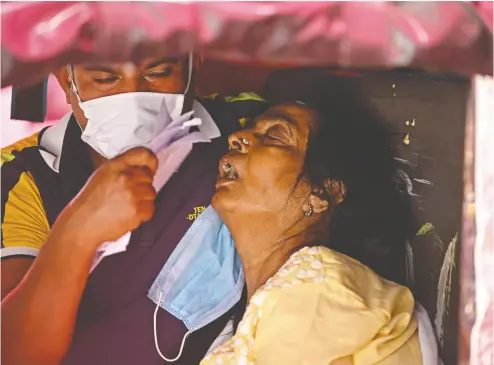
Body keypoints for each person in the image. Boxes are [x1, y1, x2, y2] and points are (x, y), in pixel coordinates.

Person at [1, 54, 267, 365]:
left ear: (194, 64)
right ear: (65, 79)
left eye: (159, 72)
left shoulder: (245, 129)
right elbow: (13, 353)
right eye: (105, 79)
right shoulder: (21, 176)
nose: (134, 97)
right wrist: (79, 229)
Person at [199, 90, 428, 364]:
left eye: (275, 136)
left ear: (324, 194)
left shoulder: (319, 290)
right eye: (246, 129)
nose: (236, 138)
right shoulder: (284, 295)